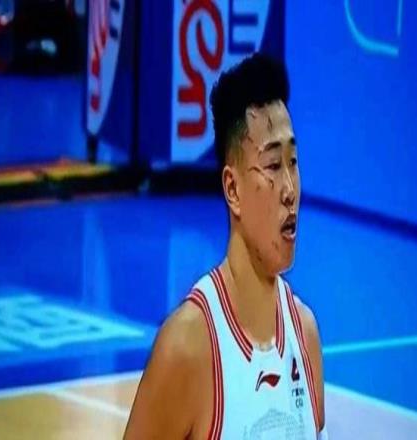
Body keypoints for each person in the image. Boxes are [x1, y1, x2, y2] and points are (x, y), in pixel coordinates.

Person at [124, 53, 328, 439]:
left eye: (293, 162)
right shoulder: (188, 347)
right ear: (232, 189)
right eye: (273, 166)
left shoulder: (305, 335)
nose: (290, 189)